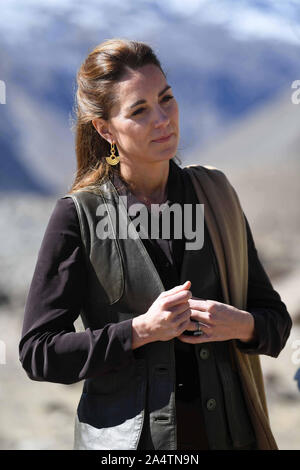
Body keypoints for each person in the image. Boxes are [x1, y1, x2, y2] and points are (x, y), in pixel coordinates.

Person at [19, 38, 292, 451]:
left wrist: (241, 325)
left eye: (166, 99)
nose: (163, 119)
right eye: (140, 110)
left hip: (227, 436)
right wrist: (139, 331)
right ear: (105, 129)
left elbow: (275, 322)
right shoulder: (78, 216)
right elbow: (39, 353)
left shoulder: (214, 196)